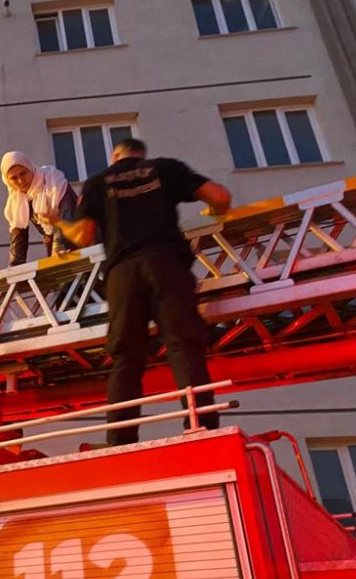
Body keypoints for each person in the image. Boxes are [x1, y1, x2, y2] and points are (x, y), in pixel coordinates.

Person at [40, 138, 231, 445]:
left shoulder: (97, 183)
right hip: (166, 265)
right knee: (183, 345)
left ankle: (120, 439)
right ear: (141, 154)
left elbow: (84, 237)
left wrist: (58, 222)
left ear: (114, 155)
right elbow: (220, 196)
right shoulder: (166, 169)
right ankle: (202, 427)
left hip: (123, 274)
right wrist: (215, 210)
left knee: (126, 357)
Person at [0, 150, 78, 265]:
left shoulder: (53, 180)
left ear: (30, 169)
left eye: (23, 173)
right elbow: (19, 235)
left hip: (82, 237)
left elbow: (66, 215)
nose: (20, 181)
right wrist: (14, 267)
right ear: (7, 181)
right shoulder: (17, 199)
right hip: (55, 246)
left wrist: (59, 245)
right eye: (14, 178)